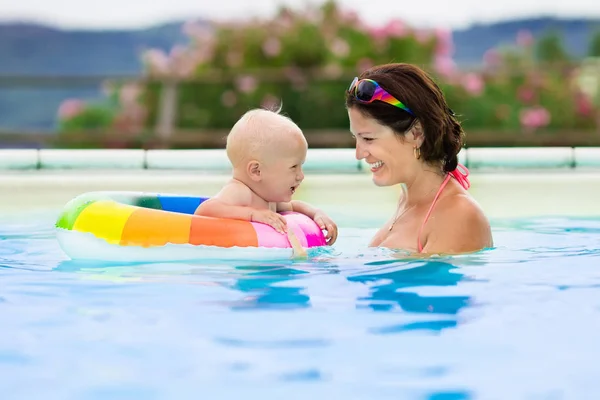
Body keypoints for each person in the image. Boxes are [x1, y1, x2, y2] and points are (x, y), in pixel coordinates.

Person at [345, 63, 493, 255]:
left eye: (368, 138)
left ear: (416, 133)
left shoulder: (458, 215)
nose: (359, 154)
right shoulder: (408, 200)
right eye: (355, 138)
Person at [194, 107, 338, 251]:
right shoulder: (240, 191)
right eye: (294, 167)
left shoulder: (268, 197)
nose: (301, 176)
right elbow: (205, 211)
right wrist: (253, 215)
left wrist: (316, 213)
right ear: (257, 171)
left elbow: (294, 206)